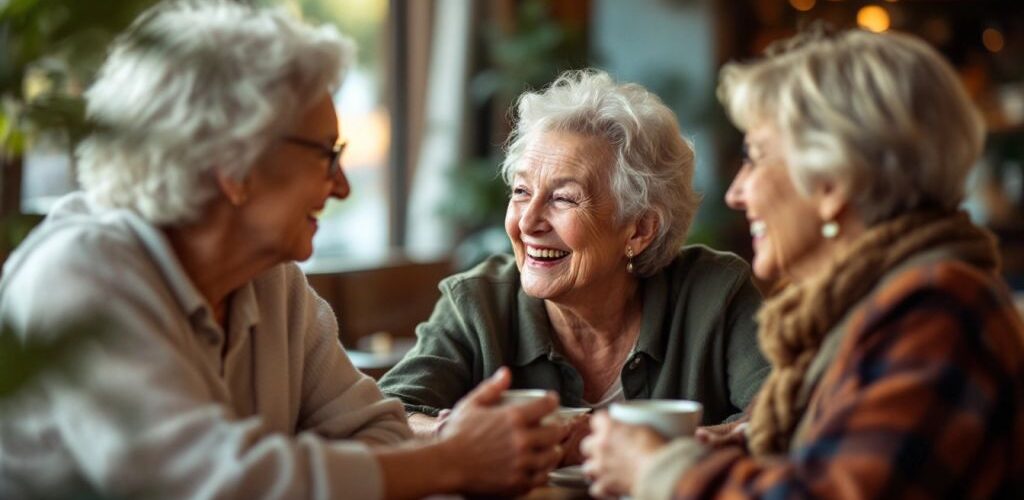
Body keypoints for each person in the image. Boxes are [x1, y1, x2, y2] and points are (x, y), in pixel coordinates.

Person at [0, 2, 565, 498]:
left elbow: (377, 434)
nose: (341, 185)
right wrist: (448, 461)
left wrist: (428, 464)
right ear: (234, 166)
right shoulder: (80, 276)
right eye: (325, 153)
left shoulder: (270, 280)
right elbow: (210, 484)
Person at [581, 27, 1024, 499]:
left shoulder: (935, 314)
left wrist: (659, 470)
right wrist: (748, 444)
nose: (736, 193)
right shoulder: (874, 309)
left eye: (755, 157)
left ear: (831, 181)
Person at [379, 69, 770, 462]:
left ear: (639, 229)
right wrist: (453, 433)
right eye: (521, 191)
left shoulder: (715, 293)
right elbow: (388, 415)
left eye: (564, 199)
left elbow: (782, 414)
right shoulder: (476, 303)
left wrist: (645, 449)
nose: (528, 222)